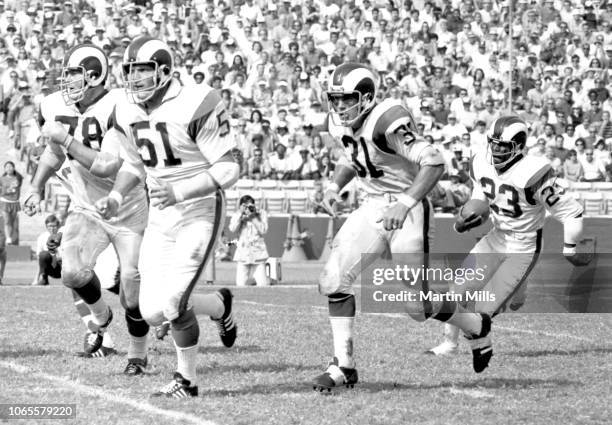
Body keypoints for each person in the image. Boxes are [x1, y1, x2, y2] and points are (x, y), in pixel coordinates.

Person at [312, 62, 495, 391]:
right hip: (372, 206)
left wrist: (405, 202)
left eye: (347, 98)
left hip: (408, 207)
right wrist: (333, 187)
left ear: (366, 98)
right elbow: (352, 157)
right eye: (335, 98)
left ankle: (475, 325)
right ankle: (344, 366)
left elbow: (434, 162)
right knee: (333, 280)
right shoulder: (338, 123)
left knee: (418, 307)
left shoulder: (387, 119)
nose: (339, 105)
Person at [91, 37, 239, 398]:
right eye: (130, 71)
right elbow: (134, 164)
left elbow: (230, 167)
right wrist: (116, 195)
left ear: (164, 70)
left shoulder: (196, 101)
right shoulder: (126, 110)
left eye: (143, 70)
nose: (135, 78)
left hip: (199, 209)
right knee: (152, 312)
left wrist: (180, 191)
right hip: (162, 214)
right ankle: (220, 305)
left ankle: (187, 381)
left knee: (174, 303)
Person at [23, 44, 150, 366]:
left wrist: (66, 139)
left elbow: (107, 165)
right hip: (86, 207)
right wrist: (36, 186)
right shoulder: (56, 105)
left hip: (127, 205)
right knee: (71, 272)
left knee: (134, 293)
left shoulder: (120, 105)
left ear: (93, 76)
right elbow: (54, 152)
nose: (66, 81)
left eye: (73, 74)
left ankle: (138, 354)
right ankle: (101, 318)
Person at [428, 116, 585, 355]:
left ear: (519, 147)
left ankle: (517, 289)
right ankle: (449, 345)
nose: (497, 150)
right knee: (457, 290)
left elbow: (571, 212)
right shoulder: (481, 162)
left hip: (524, 245)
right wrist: (469, 216)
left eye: (504, 146)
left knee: (483, 307)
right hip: (495, 237)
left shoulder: (534, 173)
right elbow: (481, 196)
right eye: (494, 143)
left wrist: (570, 248)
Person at [228, 195, 270, 287]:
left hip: (258, 253)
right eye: (245, 206)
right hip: (243, 253)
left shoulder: (261, 214)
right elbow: (233, 229)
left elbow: (263, 230)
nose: (247, 208)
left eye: (250, 206)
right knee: (240, 285)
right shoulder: (237, 215)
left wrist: (253, 217)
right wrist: (240, 214)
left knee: (262, 284)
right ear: (240, 206)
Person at [0, 161, 23, 245]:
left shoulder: (18, 178)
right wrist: (6, 191)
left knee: (12, 221)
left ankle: (10, 236)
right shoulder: (2, 179)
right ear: (4, 169)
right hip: (5, 201)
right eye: (7, 167)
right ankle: (8, 238)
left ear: (13, 168)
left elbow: (19, 185)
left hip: (14, 202)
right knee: (7, 220)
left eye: (10, 166)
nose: (9, 168)